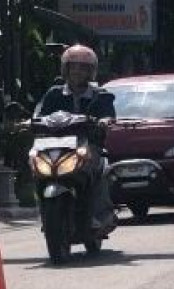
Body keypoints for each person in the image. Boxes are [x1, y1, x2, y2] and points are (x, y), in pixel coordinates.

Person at [34, 44, 117, 227]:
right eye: (73, 67)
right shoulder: (54, 94)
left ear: (90, 71)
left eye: (83, 67)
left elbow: (108, 114)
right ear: (66, 69)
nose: (77, 71)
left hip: (87, 144)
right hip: (54, 146)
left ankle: (98, 215)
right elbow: (39, 113)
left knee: (94, 172)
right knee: (37, 169)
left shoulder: (100, 95)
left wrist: (104, 120)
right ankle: (45, 214)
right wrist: (28, 121)